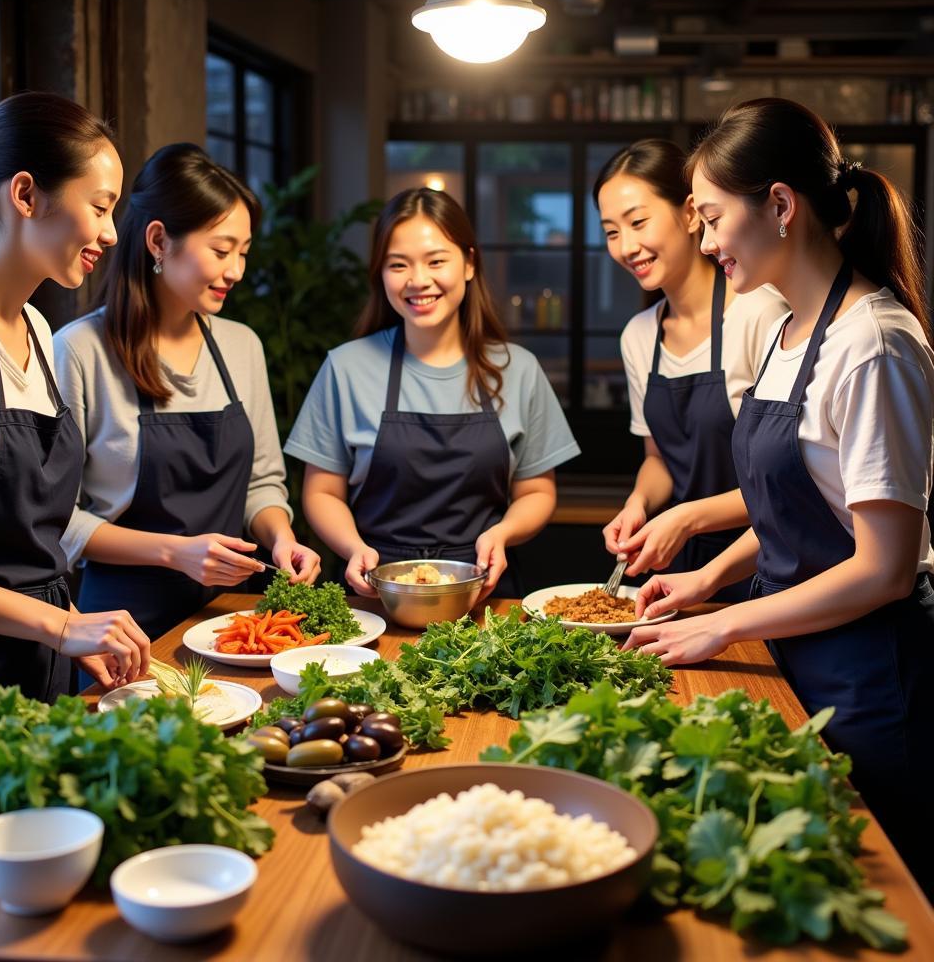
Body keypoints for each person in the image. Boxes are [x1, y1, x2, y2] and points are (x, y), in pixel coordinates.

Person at [628, 98, 934, 897]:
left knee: (880, 899)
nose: (702, 240)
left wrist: (723, 622)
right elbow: (798, 509)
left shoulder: (875, 343)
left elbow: (883, 569)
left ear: (780, 206)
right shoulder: (791, 330)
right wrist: (709, 580)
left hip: (869, 677)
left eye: (710, 217)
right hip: (796, 652)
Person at [0, 92, 150, 773]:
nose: (110, 233)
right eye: (101, 206)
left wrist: (75, 630)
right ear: (25, 194)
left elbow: (31, 542)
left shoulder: (41, 331)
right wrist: (65, 625)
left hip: (42, 667)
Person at [55, 143, 319, 640]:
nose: (237, 270)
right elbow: (57, 521)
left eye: (244, 252)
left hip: (232, 620)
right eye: (222, 250)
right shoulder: (79, 351)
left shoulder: (242, 346)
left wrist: (282, 538)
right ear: (159, 240)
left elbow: (262, 483)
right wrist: (175, 552)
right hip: (120, 627)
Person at [285, 187, 580, 597]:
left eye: (436, 261)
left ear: (469, 264)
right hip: (374, 589)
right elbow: (321, 492)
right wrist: (354, 548)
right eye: (398, 264)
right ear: (380, 273)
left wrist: (502, 534)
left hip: (482, 590)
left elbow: (537, 490)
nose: (418, 280)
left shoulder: (519, 369)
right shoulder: (345, 367)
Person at [596, 140, 787, 599]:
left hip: (764, 560)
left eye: (638, 222)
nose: (626, 246)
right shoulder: (639, 335)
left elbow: (787, 484)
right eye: (610, 232)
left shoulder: (761, 314)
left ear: (689, 214)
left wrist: (683, 518)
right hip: (679, 568)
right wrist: (639, 504)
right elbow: (659, 460)